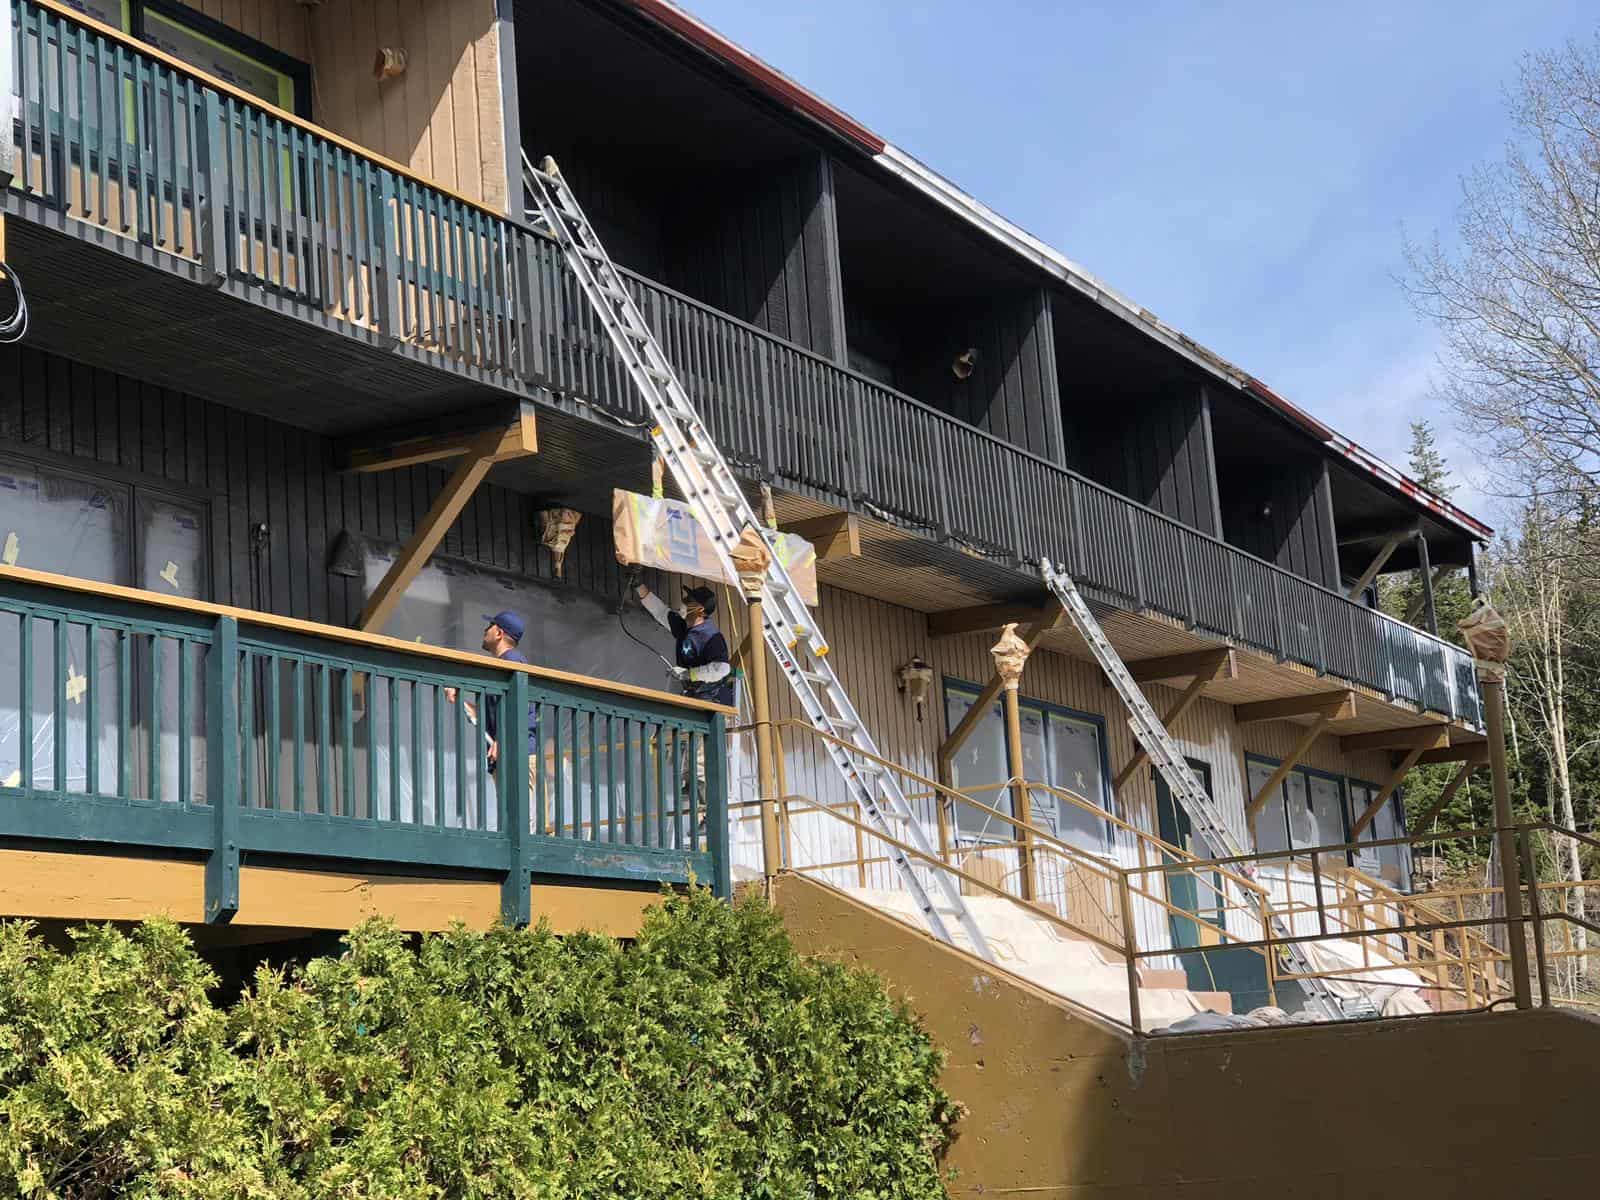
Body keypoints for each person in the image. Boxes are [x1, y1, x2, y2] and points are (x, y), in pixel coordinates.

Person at [444, 611, 538, 797]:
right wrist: (462, 701)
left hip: (516, 754)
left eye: (490, 626)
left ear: (499, 633)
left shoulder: (512, 661)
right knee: (511, 813)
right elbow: (493, 715)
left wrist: (502, 740)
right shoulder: (504, 664)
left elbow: (520, 708)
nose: (485, 630)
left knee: (522, 814)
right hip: (508, 754)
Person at [633, 581, 734, 706]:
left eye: (689, 600)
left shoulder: (711, 636)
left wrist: (688, 674)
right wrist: (639, 586)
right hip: (690, 695)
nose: (684, 601)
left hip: (709, 700)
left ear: (700, 610)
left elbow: (722, 669)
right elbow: (660, 612)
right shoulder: (684, 627)